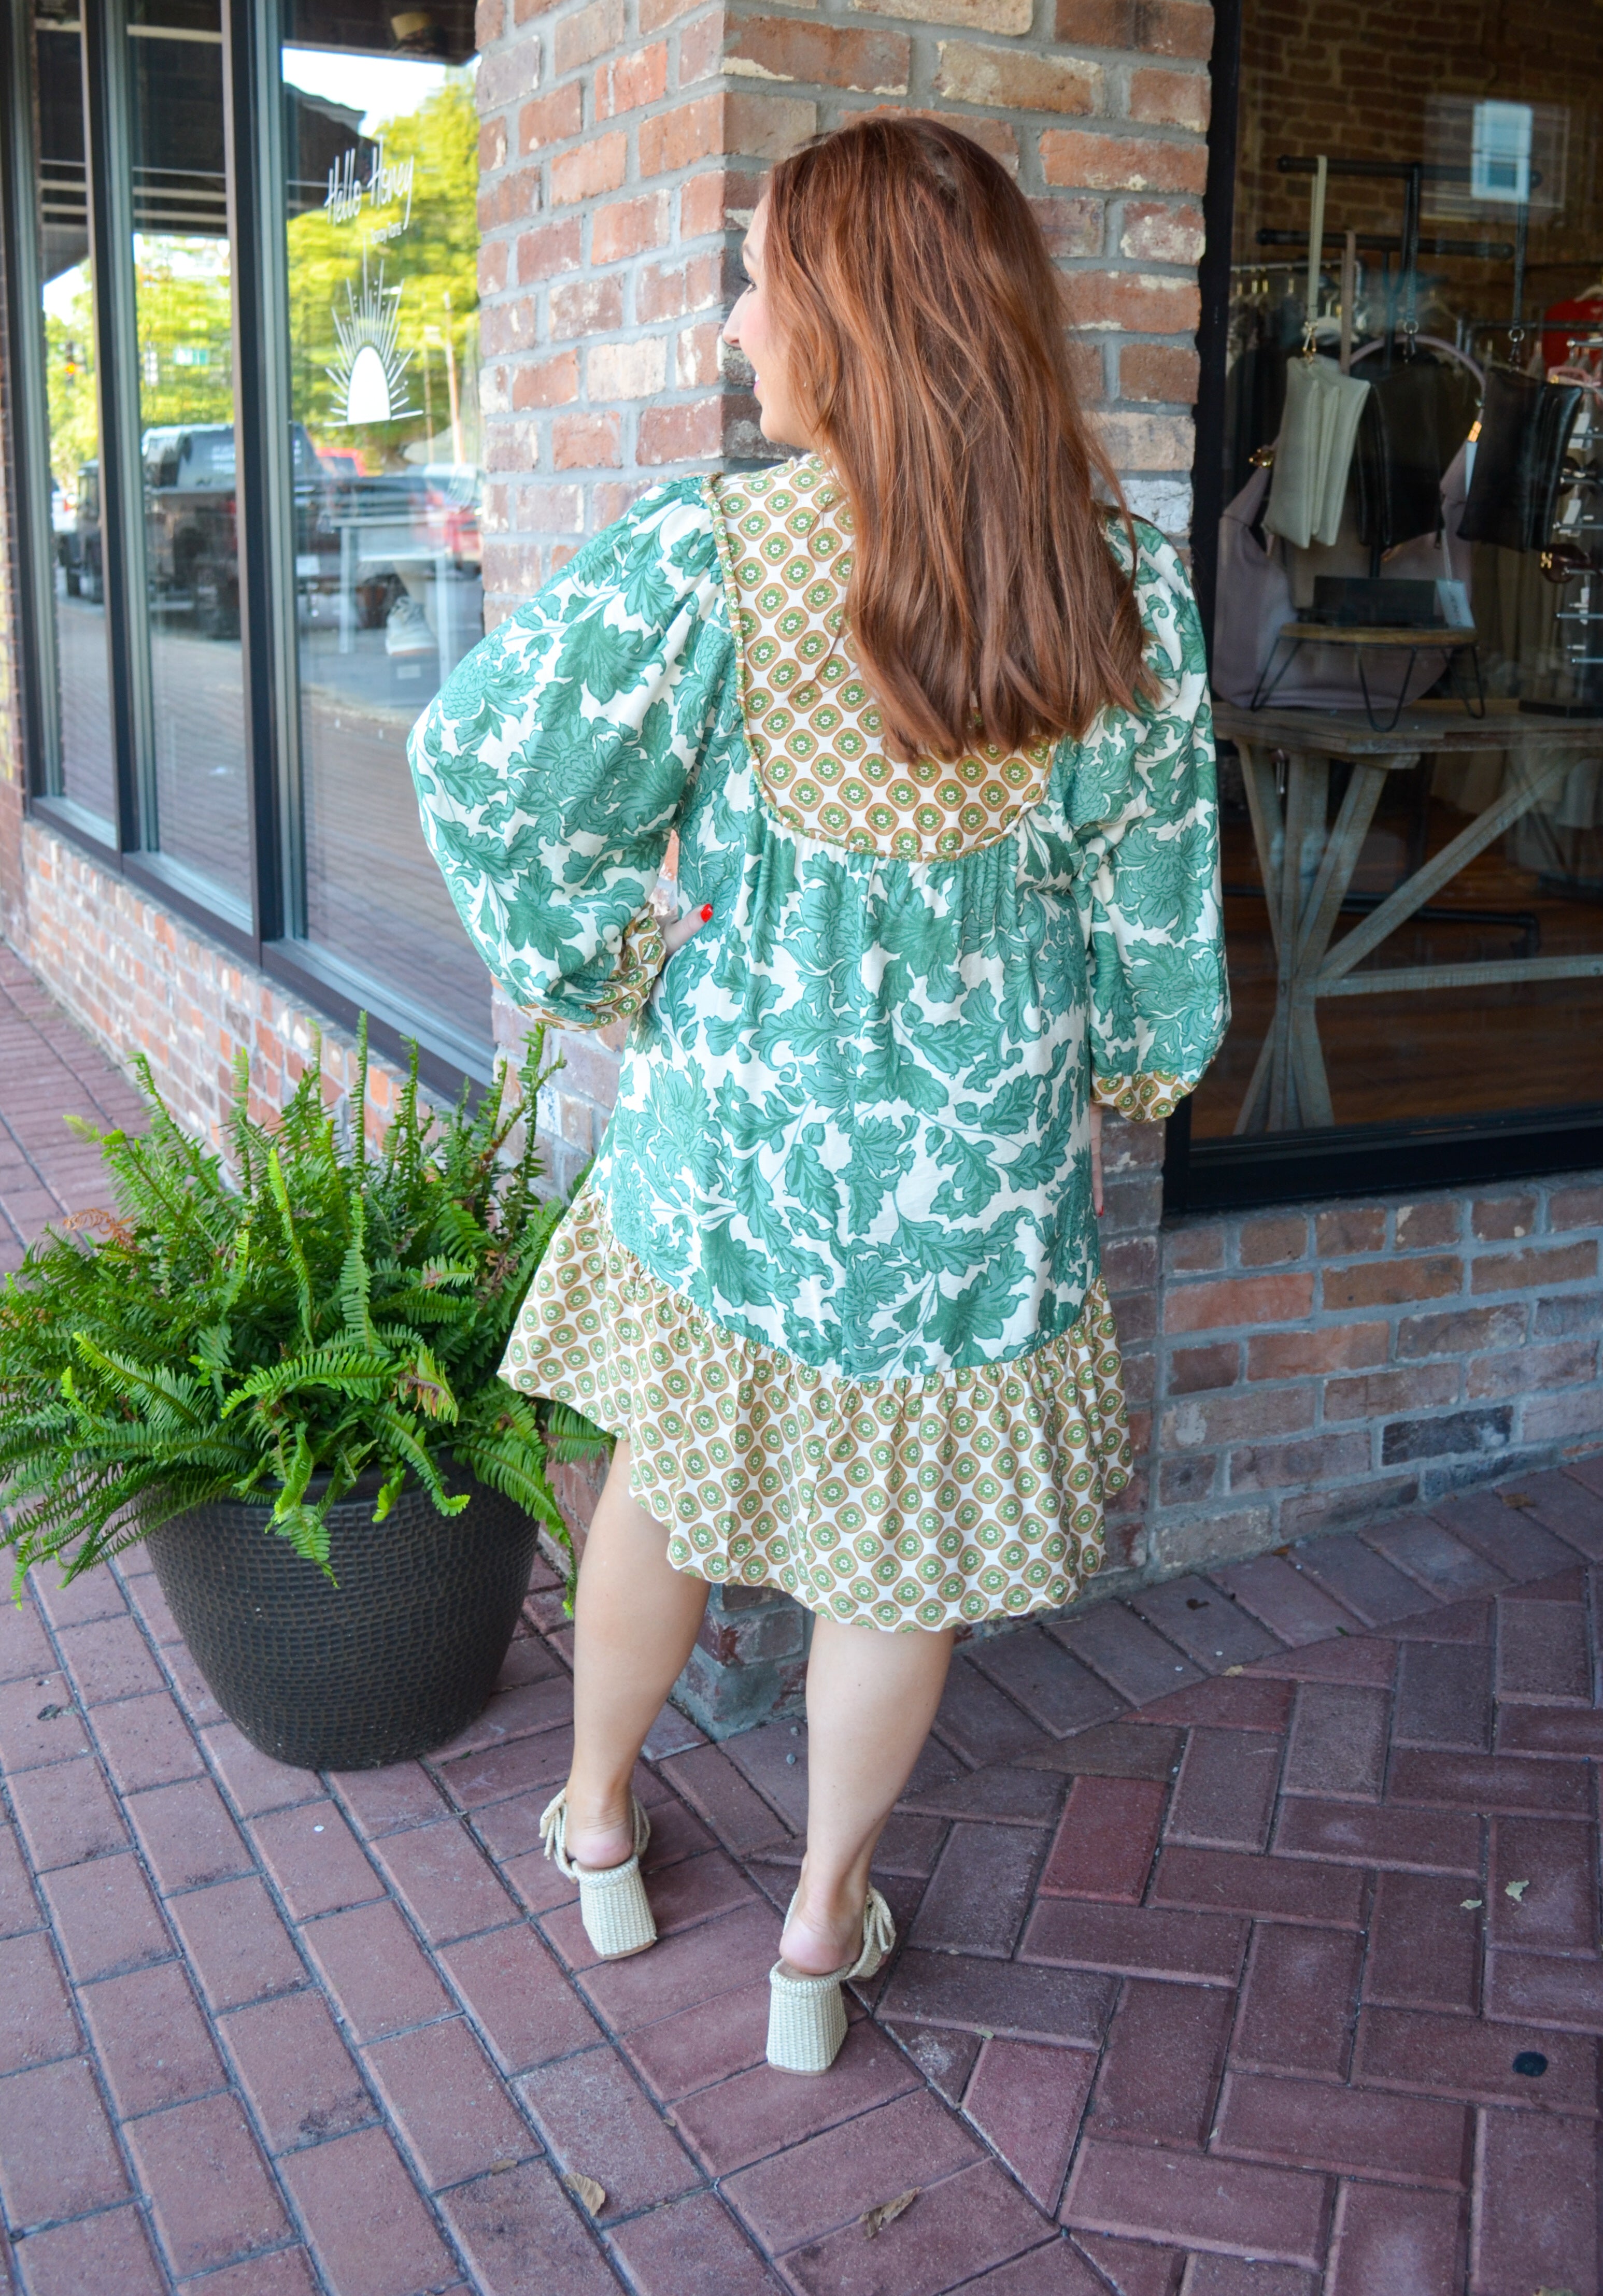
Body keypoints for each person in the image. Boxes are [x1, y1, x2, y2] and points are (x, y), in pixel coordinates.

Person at [410, 116, 1227, 2075]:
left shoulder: (713, 552)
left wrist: (613, 959)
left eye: (762, 276)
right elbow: (1160, 901)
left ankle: (601, 1826)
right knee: (907, 1558)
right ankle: (813, 1932)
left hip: (737, 1161)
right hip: (977, 1187)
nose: (734, 320)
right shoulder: (1116, 583)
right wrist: (1128, 1065)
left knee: (669, 1489)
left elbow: (480, 771)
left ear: (853, 318)